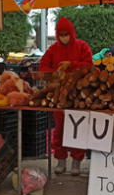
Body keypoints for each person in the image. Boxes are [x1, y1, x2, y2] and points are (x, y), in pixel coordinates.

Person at [39, 17, 93, 176]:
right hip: (59, 95)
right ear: (57, 35)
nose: (64, 37)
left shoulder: (82, 46)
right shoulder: (53, 49)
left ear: (71, 33)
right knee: (60, 129)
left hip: (79, 95)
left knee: (78, 128)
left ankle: (76, 162)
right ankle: (61, 161)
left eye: (66, 34)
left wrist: (71, 64)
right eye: (60, 34)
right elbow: (43, 67)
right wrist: (53, 72)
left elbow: (89, 65)